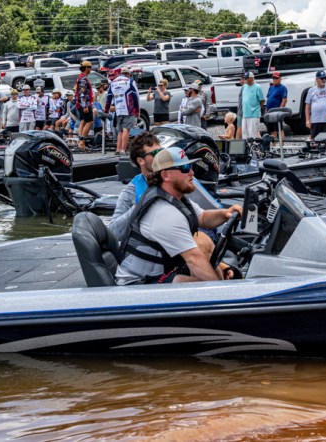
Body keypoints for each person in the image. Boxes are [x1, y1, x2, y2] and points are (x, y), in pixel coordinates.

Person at [114, 147, 242, 285]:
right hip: (139, 284)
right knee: (201, 284)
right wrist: (222, 290)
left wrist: (226, 213)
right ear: (166, 176)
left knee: (203, 241)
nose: (192, 172)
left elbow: (202, 217)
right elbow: (194, 259)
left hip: (162, 272)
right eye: (185, 168)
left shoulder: (175, 198)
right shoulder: (164, 212)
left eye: (190, 166)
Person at [107, 66, 140, 154]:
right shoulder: (130, 81)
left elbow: (109, 97)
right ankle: (123, 149)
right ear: (129, 74)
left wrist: (107, 109)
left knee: (120, 130)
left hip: (118, 110)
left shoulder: (113, 82)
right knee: (126, 129)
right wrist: (137, 110)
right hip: (129, 109)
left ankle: (118, 149)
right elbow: (136, 96)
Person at [305, 70, 326, 139]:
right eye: (322, 78)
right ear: (317, 79)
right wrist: (307, 120)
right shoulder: (311, 90)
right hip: (315, 120)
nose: (324, 80)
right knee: (314, 139)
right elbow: (307, 106)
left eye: (325, 78)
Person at [74, 60, 95, 150]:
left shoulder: (80, 77)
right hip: (84, 104)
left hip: (80, 104)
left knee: (83, 121)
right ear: (86, 68)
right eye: (90, 67)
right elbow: (82, 93)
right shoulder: (83, 79)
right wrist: (85, 106)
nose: (90, 69)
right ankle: (82, 142)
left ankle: (80, 142)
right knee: (90, 121)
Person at [240, 72, 265, 139]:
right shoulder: (244, 86)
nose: (245, 80)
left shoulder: (257, 87)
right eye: (245, 78)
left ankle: (254, 145)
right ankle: (246, 145)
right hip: (245, 114)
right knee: (244, 133)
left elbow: (262, 100)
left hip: (254, 114)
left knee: (253, 134)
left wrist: (257, 108)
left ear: (251, 78)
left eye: (247, 78)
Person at [264, 72, 288, 139]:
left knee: (279, 129)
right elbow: (268, 98)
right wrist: (266, 109)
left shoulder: (282, 88)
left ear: (280, 78)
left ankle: (282, 143)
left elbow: (284, 99)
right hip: (269, 111)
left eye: (276, 78)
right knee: (271, 130)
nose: (274, 79)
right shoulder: (271, 88)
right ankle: (274, 143)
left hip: (276, 112)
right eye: (273, 78)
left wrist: (280, 110)